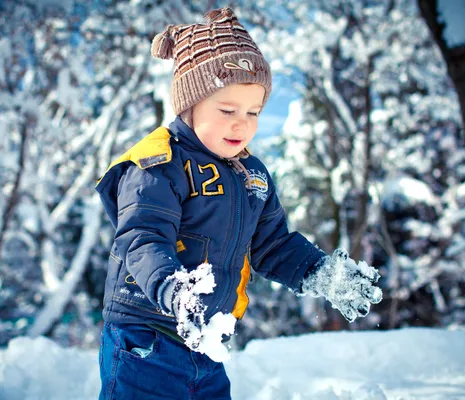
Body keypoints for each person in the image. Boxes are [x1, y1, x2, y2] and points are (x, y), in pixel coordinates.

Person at [95, 7, 382, 400]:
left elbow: (273, 246)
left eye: (253, 112)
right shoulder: (159, 163)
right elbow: (142, 237)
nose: (241, 123)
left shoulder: (253, 176)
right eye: (227, 110)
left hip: (206, 340)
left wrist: (319, 271)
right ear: (189, 104)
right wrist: (174, 289)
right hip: (147, 336)